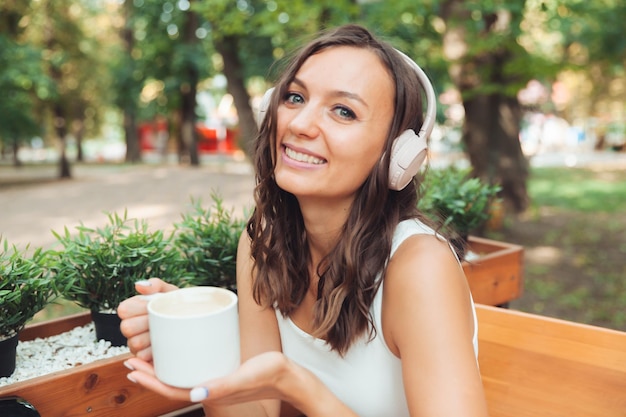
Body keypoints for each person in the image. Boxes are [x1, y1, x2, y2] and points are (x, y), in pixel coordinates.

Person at [118, 24, 489, 417]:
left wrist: (296, 385)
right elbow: (257, 412)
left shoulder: (419, 267)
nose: (298, 124)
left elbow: (284, 386)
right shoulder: (263, 240)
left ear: (398, 155)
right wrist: (204, 356)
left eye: (343, 111)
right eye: (294, 97)